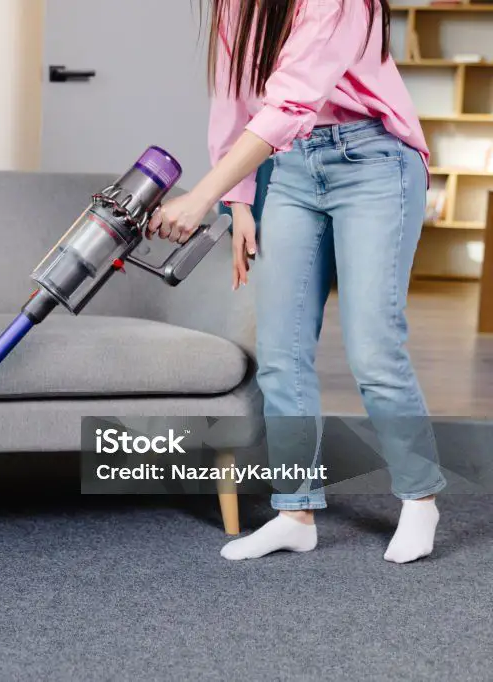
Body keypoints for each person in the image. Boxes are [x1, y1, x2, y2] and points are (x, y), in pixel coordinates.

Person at [149, 0, 445, 562]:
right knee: (282, 354)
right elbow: (232, 97)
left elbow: (290, 100)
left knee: (374, 349)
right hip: (287, 168)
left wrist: (203, 195)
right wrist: (238, 202)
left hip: (373, 160)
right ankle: (295, 512)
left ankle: (420, 496)